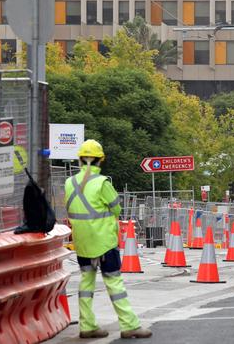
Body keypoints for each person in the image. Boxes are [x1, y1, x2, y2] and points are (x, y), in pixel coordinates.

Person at [65, 139, 152, 339]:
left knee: (86, 282)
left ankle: (87, 325)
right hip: (104, 241)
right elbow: (116, 208)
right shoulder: (102, 183)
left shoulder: (69, 183)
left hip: (83, 242)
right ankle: (129, 324)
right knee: (114, 283)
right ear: (100, 160)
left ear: (79, 159)